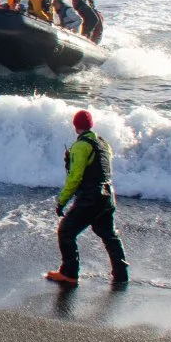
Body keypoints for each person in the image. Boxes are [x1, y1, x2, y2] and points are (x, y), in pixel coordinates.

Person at [46, 110, 128, 286]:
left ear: (76, 126)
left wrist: (62, 201)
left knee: (66, 231)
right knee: (109, 234)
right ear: (91, 125)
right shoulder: (104, 144)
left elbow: (75, 178)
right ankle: (121, 275)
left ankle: (69, 274)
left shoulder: (80, 146)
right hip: (108, 195)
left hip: (91, 197)